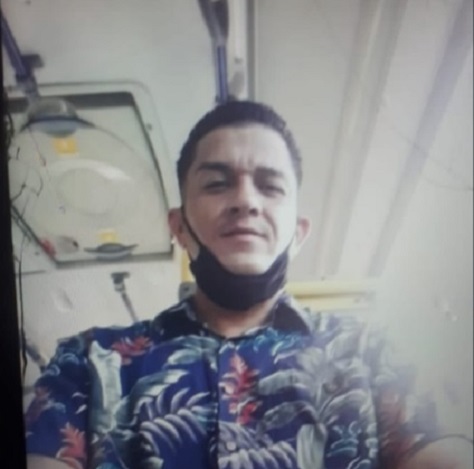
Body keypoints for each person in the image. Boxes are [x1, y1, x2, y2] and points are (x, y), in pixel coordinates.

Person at [25, 101, 472, 469]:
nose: (245, 200)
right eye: (217, 184)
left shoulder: (377, 357)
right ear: (179, 227)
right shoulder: (88, 362)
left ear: (298, 233)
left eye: (270, 187)